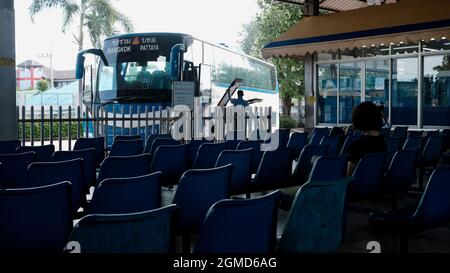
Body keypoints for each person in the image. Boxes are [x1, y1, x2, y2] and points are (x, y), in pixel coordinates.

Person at [347, 101, 387, 176]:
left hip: (358, 186)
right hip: (376, 184)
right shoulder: (384, 143)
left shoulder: (357, 146)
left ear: (358, 120)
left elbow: (349, 174)